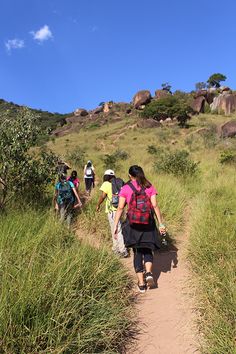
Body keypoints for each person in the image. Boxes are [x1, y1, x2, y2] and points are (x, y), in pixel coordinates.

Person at [113, 165, 166, 293]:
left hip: (133, 225)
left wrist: (115, 225)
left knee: (137, 252)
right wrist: (161, 224)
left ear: (130, 175)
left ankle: (141, 284)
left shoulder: (125, 188)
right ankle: (148, 273)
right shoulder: (149, 186)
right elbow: (155, 205)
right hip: (148, 223)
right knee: (148, 249)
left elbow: (120, 208)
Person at [96, 169, 128, 258]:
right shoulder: (119, 183)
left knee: (116, 229)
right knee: (117, 228)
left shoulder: (106, 184)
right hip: (120, 209)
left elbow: (103, 196)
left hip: (112, 211)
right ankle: (116, 248)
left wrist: (98, 205)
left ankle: (122, 250)